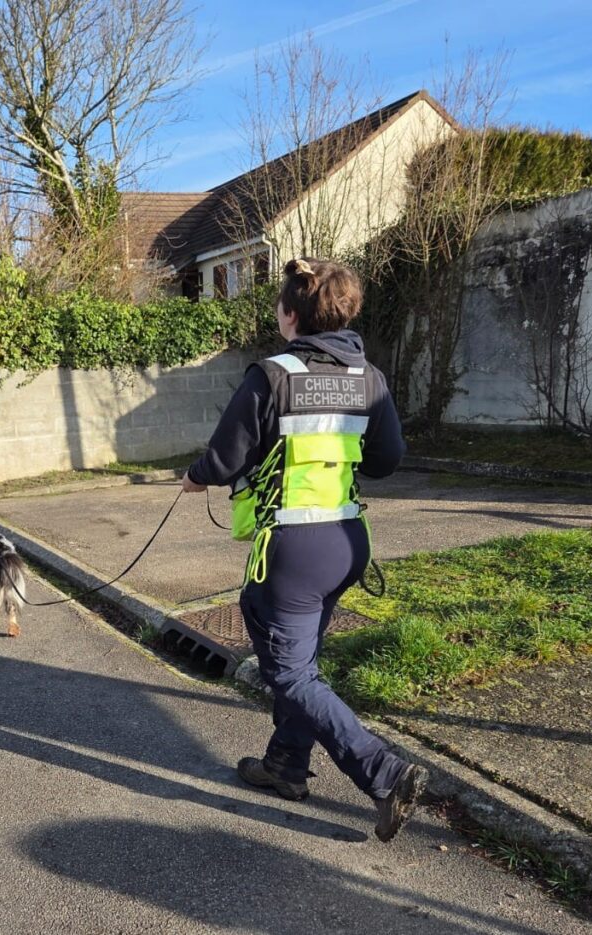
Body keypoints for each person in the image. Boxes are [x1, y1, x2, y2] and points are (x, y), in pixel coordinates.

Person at [181, 257, 427, 843]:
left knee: (289, 673)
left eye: (279, 307)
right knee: (302, 663)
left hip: (292, 549)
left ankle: (383, 772)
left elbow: (223, 457)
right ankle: (286, 767)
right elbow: (387, 461)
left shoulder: (272, 375)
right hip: (347, 543)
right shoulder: (369, 377)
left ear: (291, 315)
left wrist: (195, 477)